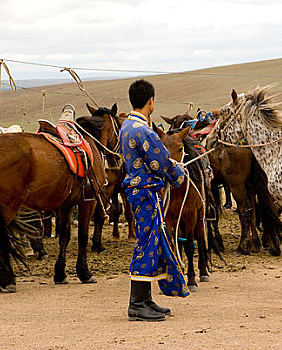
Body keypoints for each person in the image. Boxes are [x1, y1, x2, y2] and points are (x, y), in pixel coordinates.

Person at [120, 79, 189, 322]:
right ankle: (137, 304)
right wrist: (178, 173)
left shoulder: (126, 126)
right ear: (151, 101)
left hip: (137, 191)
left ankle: (145, 299)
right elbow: (159, 161)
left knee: (149, 239)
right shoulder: (143, 131)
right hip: (146, 193)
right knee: (147, 242)